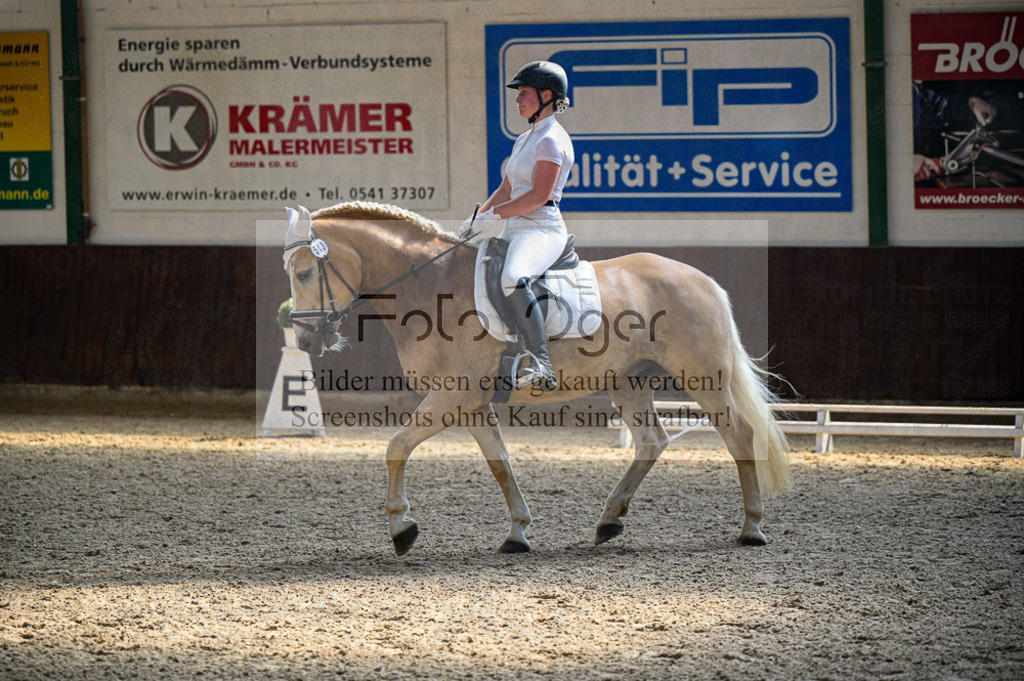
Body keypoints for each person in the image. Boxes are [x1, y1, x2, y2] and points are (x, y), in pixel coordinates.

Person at [460, 61, 574, 391]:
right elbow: (507, 188)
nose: (518, 99)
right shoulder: (525, 138)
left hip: (541, 229)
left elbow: (538, 196)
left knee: (513, 276)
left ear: (546, 96)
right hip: (514, 226)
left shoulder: (551, 140)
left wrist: (495, 215)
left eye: (524, 92)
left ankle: (541, 361)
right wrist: (479, 216)